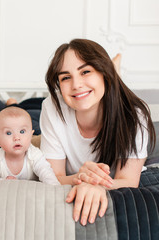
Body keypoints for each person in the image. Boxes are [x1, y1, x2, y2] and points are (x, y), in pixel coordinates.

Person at [40, 39, 156, 225]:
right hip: (59, 140)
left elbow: (128, 181)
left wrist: (94, 184)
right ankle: (12, 103)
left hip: (114, 103)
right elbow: (52, 178)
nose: (76, 84)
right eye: (65, 77)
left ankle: (114, 70)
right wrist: (81, 178)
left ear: (103, 72)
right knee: (25, 140)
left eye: (85, 71)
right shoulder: (52, 106)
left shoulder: (134, 115)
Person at [0, 106, 60, 185]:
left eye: (22, 131)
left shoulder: (35, 155)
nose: (17, 138)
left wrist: (54, 187)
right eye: (9, 133)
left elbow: (46, 173)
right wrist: (4, 181)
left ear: (31, 135)